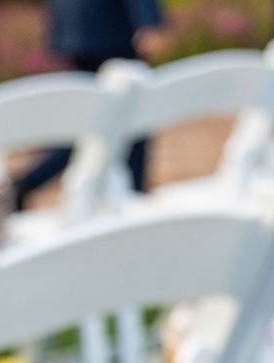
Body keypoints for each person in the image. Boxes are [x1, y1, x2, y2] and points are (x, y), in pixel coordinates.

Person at [13, 0, 168, 208]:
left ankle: (28, 182)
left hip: (80, 31)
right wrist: (148, 21)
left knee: (92, 118)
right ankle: (134, 195)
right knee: (126, 117)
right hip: (112, 30)